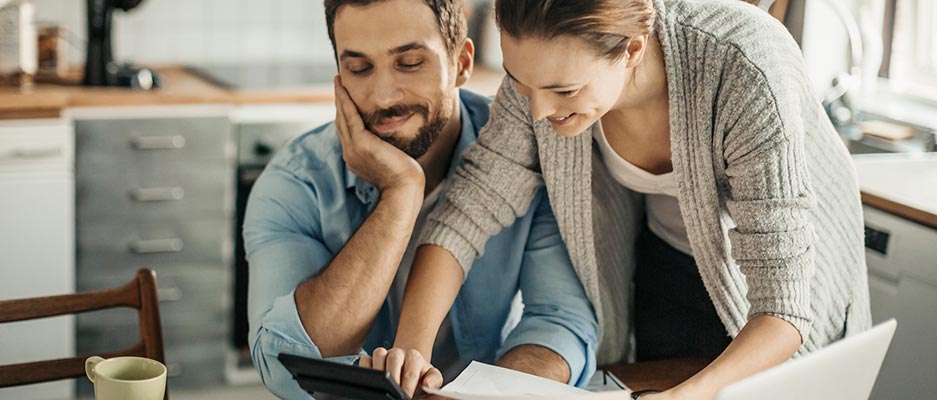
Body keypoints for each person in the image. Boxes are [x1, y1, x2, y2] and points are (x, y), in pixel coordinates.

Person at [388, 0, 873, 398]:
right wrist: (411, 346)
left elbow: (784, 307)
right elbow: (470, 207)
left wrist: (690, 394)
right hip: (668, 262)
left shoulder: (743, 67)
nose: (538, 110)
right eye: (520, 83)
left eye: (564, 90)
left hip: (786, 288)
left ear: (633, 49)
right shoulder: (541, 75)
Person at [242, 0, 598, 398]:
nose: (383, 96)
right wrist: (401, 193)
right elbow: (283, 362)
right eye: (359, 68)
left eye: (410, 63)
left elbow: (560, 322)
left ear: (461, 63)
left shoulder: (527, 155)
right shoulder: (296, 182)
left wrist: (486, 396)